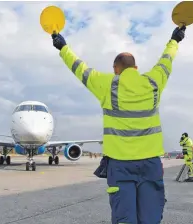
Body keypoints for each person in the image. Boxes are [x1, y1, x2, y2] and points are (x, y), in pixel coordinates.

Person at [51, 26, 186, 224]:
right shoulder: (153, 82)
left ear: (116, 69)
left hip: (120, 165)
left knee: (124, 218)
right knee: (151, 218)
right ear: (136, 68)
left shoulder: (107, 84)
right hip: (150, 164)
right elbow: (167, 59)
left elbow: (80, 68)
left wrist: (62, 46)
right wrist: (175, 39)